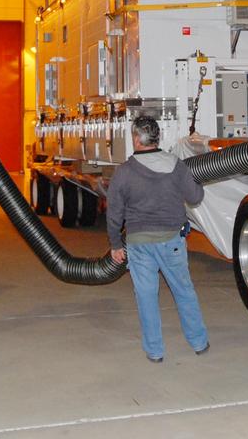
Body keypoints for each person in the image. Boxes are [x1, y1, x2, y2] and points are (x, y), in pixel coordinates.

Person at [107, 115, 209, 363]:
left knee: (146, 296)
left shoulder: (124, 172)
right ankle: (198, 343)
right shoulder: (176, 165)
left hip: (139, 244)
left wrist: (115, 245)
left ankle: (155, 351)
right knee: (184, 291)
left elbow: (114, 212)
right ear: (157, 137)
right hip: (171, 240)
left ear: (135, 139)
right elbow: (195, 197)